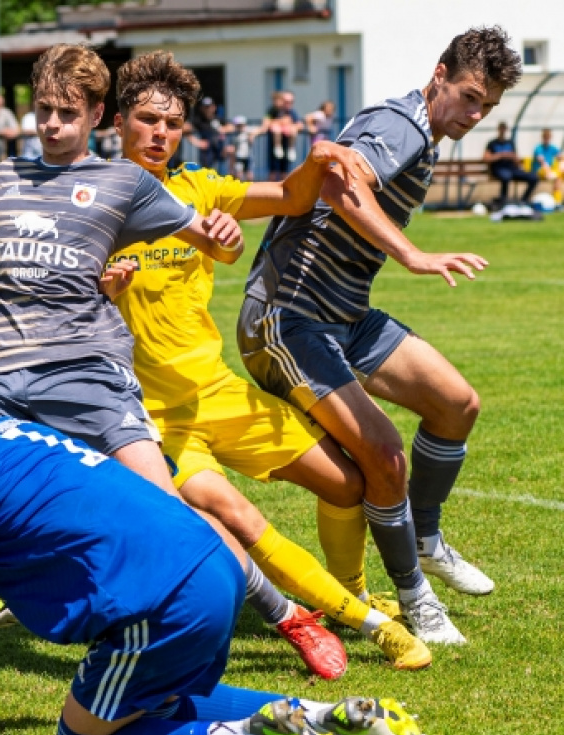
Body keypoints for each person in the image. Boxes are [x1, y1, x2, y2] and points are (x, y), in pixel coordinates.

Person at [0, 43, 312, 732]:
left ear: (97, 114)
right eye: (43, 111)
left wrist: (224, 234)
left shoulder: (126, 183)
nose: (52, 125)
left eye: (68, 113)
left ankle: (285, 612)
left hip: (86, 368)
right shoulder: (7, 175)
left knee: (166, 506)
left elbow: (216, 240)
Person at [0, 343, 423, 735]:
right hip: (216, 564)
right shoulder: (21, 429)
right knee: (163, 699)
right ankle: (331, 716)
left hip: (159, 602)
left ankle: (257, 734)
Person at [108, 50, 430, 669]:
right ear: (117, 122)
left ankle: (352, 591)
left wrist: (316, 161)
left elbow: (287, 197)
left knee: (346, 482)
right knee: (237, 513)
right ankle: (357, 622)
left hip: (218, 391)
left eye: (172, 124)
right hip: (150, 418)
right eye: (147, 119)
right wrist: (104, 291)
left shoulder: (200, 187)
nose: (160, 134)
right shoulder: (95, 199)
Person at [239, 26, 521, 645]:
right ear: (440, 72)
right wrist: (413, 255)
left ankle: (425, 536)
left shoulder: (421, 130)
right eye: (471, 96)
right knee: (385, 456)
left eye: (489, 107)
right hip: (288, 316)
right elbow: (342, 186)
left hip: (344, 313)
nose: (476, 115)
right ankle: (415, 600)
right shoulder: (403, 125)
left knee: (457, 403)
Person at [483, 121, 537, 207]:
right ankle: (503, 202)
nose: (503, 131)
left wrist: (513, 157)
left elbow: (517, 160)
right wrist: (500, 155)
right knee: (506, 176)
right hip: (498, 169)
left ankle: (524, 200)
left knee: (533, 177)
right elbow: (486, 158)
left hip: (512, 169)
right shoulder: (492, 143)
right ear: (498, 130)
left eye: (504, 129)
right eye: (501, 129)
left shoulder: (510, 143)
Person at [257, 91, 303, 180]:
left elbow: (299, 125)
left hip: (286, 143)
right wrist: (280, 122)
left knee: (285, 170)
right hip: (274, 145)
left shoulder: (291, 112)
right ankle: (270, 192)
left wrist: (291, 126)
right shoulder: (272, 110)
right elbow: (266, 124)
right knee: (273, 170)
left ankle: (283, 192)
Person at [187, 97, 230, 170]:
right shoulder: (198, 120)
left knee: (222, 172)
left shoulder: (218, 118)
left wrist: (223, 129)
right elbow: (185, 131)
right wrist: (197, 142)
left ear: (214, 107)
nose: (207, 109)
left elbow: (231, 127)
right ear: (201, 108)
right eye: (205, 107)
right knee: (207, 171)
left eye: (209, 107)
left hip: (220, 149)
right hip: (207, 151)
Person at [531, 128, 564, 206]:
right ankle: (557, 202)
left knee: (558, 177)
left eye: (548, 137)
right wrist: (548, 171)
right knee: (555, 176)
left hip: (549, 171)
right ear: (543, 137)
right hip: (539, 170)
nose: (547, 138)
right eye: (545, 137)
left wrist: (563, 161)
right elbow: (542, 161)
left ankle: (557, 202)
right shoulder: (538, 148)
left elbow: (560, 156)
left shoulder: (552, 147)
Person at [228, 115, 256, 180]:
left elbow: (258, 130)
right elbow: (232, 148)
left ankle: (250, 189)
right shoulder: (233, 135)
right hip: (238, 157)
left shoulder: (249, 132)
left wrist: (252, 136)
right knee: (239, 175)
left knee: (250, 175)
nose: (240, 127)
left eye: (241, 125)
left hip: (248, 156)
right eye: (238, 125)